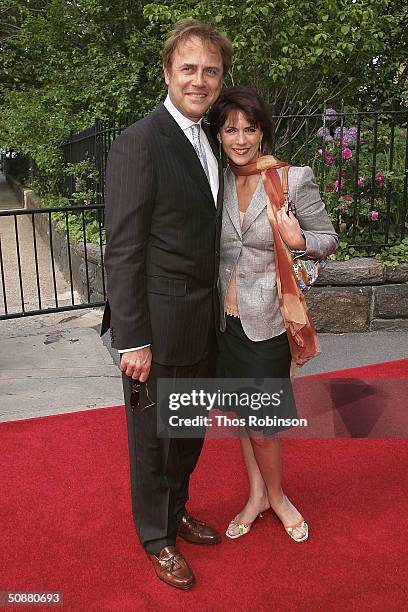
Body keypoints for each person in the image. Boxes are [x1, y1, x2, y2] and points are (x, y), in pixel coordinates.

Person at [101, 20, 233, 590]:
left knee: (188, 432)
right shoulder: (139, 141)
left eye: (210, 70)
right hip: (155, 327)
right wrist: (132, 339)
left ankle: (176, 510)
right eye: (189, 68)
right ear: (166, 73)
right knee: (153, 440)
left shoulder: (212, 139)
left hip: (203, 325)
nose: (199, 80)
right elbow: (123, 248)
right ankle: (156, 537)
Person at [208, 87, 338, 542]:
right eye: (230, 130)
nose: (241, 139)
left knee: (263, 427)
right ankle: (256, 495)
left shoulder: (290, 178)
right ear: (219, 135)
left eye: (249, 128)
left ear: (262, 131)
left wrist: (299, 239)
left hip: (268, 322)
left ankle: (278, 498)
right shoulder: (217, 180)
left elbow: (328, 237)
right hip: (225, 322)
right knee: (243, 418)